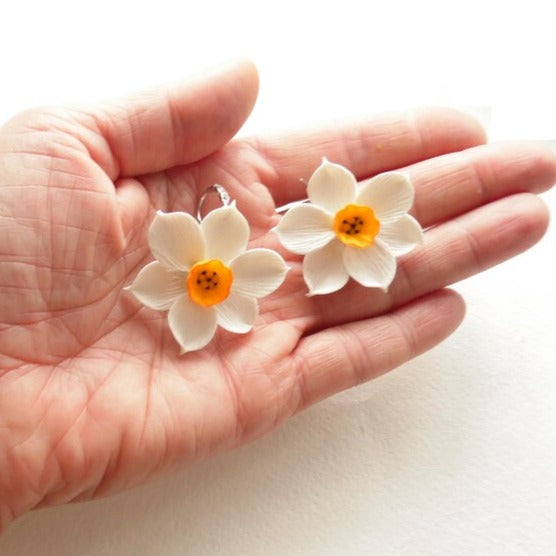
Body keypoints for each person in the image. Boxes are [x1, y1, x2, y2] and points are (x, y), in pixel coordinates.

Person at [0, 60, 554, 533]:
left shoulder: (305, 252)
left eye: (210, 281)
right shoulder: (197, 279)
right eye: (207, 282)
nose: (211, 284)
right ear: (202, 281)